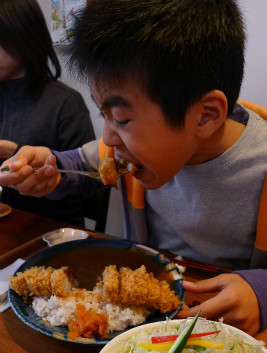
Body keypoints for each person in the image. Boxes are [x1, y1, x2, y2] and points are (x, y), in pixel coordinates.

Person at [0, 0, 267, 336]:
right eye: (104, 116)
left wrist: (262, 292)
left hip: (225, 328)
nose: (108, 139)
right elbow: (77, 165)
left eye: (122, 119)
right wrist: (46, 169)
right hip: (145, 321)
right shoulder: (123, 153)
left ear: (206, 115)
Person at [0, 0, 96, 226]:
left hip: (49, 231)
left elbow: (94, 183)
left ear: (23, 36)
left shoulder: (65, 103)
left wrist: (21, 156)